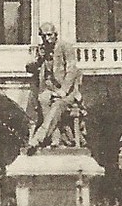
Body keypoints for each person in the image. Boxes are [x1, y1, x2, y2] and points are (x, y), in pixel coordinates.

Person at [25, 23, 82, 152]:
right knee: (43, 99)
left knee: (57, 105)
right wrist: (39, 59)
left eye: (49, 35)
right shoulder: (42, 49)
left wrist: (63, 91)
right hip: (49, 90)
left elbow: (72, 71)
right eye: (43, 36)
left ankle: (38, 139)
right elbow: (30, 69)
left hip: (68, 92)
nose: (47, 38)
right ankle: (55, 138)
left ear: (55, 34)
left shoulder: (66, 47)